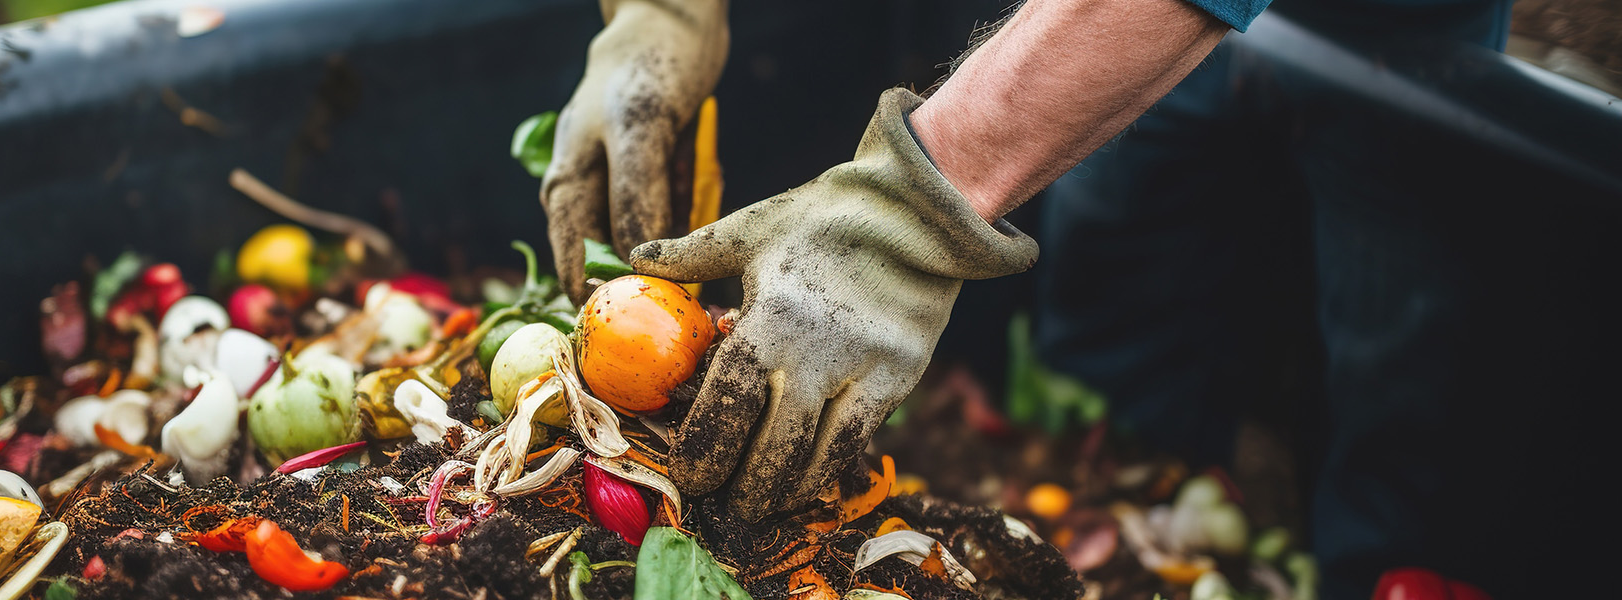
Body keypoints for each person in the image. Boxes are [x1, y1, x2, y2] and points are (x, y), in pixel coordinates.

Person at [540, 0, 1595, 597]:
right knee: (1118, 329)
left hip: (1379, 27)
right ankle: (1161, 522)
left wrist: (919, 197)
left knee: (1411, 385)